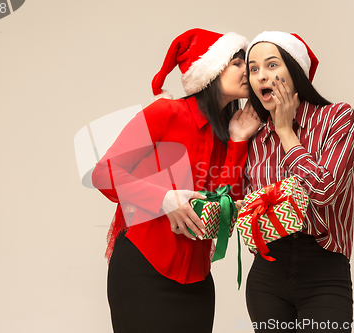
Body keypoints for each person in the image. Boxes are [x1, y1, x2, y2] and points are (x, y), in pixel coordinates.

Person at [91, 28, 260, 333]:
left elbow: (226, 208)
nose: (247, 69)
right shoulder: (165, 112)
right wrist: (163, 199)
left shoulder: (229, 132)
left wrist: (237, 140)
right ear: (211, 70)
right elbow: (103, 173)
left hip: (197, 281)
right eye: (237, 62)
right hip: (143, 268)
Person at [243, 31, 354, 332]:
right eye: (253, 69)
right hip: (268, 272)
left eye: (271, 65)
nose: (261, 76)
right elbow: (238, 206)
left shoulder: (337, 118)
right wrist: (235, 140)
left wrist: (286, 132)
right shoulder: (254, 137)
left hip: (324, 268)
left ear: (295, 70)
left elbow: (323, 191)